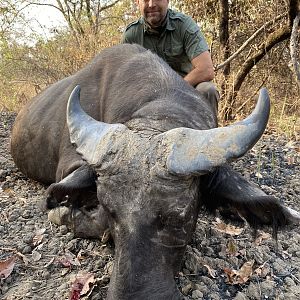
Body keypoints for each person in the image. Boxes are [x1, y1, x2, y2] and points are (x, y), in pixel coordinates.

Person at [121, 0, 219, 111]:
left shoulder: (184, 25)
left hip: (187, 88)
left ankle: (208, 128)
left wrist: (173, 90)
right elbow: (126, 82)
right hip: (150, 95)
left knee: (207, 90)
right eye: (145, 0)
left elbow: (206, 70)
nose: (151, 4)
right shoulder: (131, 35)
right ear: (137, 2)